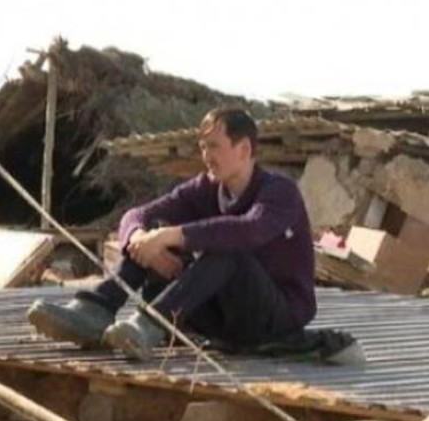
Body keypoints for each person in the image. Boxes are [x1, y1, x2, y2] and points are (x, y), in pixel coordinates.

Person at [27, 107, 319, 360]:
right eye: (202, 147)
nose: (206, 156)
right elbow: (137, 215)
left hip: (274, 320)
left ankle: (150, 324)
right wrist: (140, 239)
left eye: (213, 146)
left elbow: (249, 230)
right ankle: (95, 311)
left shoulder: (279, 191)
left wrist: (171, 236)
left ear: (243, 149)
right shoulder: (205, 188)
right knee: (152, 235)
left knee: (227, 251)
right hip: (222, 317)